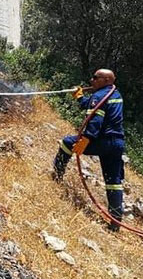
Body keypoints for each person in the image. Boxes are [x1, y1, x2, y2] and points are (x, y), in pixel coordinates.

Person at [51, 68, 125, 231]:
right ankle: (115, 223)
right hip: (117, 144)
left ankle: (56, 176)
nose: (91, 80)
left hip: (103, 141)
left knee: (67, 143)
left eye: (95, 77)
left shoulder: (99, 96)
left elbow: (95, 120)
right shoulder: (115, 94)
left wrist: (85, 139)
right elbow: (93, 105)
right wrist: (80, 98)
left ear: (106, 80)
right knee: (113, 182)